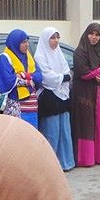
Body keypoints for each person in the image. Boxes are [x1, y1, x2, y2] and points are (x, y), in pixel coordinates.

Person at [34, 26, 75, 171]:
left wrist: (62, 77)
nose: (56, 41)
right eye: (52, 38)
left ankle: (66, 162)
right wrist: (63, 77)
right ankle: (50, 166)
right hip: (49, 98)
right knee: (51, 131)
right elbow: (47, 77)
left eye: (57, 37)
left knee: (64, 131)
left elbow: (66, 70)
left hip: (62, 95)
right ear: (46, 39)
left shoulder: (59, 53)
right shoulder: (40, 56)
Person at [70, 23, 100, 168]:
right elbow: (83, 73)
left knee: (96, 123)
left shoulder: (98, 51)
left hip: (96, 93)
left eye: (97, 35)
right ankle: (85, 159)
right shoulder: (79, 52)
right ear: (86, 34)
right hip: (82, 94)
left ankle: (97, 156)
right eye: (91, 34)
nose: (94, 37)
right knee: (85, 124)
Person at [0, 29, 42, 129]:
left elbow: (39, 76)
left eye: (27, 41)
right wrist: (28, 81)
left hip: (31, 106)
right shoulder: (5, 58)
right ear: (15, 43)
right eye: (23, 42)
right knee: (17, 134)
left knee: (31, 134)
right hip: (15, 106)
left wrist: (23, 75)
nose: (27, 45)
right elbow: (9, 80)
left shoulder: (28, 57)